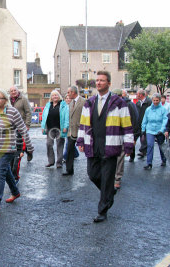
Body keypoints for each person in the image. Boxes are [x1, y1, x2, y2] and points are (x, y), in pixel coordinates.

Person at [77, 70, 134, 223]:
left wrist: (129, 144)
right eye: (97, 80)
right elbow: (83, 124)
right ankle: (109, 192)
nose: (99, 83)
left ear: (109, 83)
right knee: (92, 174)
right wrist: (81, 141)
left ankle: (102, 211)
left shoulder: (118, 102)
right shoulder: (89, 102)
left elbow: (127, 125)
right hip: (93, 144)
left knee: (108, 177)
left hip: (111, 145)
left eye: (102, 80)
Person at [0, 89, 34, 213]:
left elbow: (22, 129)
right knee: (6, 172)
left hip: (8, 149)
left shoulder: (12, 112)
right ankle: (15, 192)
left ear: (5, 100)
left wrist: (30, 147)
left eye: (0, 97)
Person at [112, 89, 138, 189]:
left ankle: (117, 178)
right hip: (111, 136)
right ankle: (111, 177)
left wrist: (132, 137)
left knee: (120, 158)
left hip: (122, 135)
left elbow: (133, 122)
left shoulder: (129, 105)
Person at [41, 90, 69, 168]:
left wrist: (65, 127)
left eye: (56, 95)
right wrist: (43, 127)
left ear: (59, 96)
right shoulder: (48, 105)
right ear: (51, 97)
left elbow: (67, 117)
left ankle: (59, 163)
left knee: (59, 145)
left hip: (60, 128)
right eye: (53, 95)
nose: (54, 97)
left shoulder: (63, 105)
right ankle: (51, 161)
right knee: (49, 144)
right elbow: (44, 117)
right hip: (50, 128)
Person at [141, 93, 168, 170]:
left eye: (157, 100)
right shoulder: (148, 109)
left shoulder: (163, 110)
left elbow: (165, 120)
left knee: (161, 146)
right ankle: (149, 163)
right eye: (154, 100)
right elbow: (145, 120)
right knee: (150, 145)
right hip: (150, 129)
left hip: (159, 130)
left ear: (159, 100)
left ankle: (163, 159)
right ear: (152, 100)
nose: (155, 102)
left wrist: (162, 130)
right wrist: (143, 129)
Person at [63, 86, 85, 176]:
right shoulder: (71, 102)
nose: (67, 95)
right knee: (69, 151)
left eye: (68, 93)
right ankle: (69, 170)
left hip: (81, 131)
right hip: (71, 132)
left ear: (73, 92)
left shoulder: (84, 102)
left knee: (87, 151)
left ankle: (93, 170)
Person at [9, 86, 33, 162]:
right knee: (15, 141)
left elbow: (28, 112)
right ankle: (19, 154)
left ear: (17, 91)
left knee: (22, 140)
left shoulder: (23, 99)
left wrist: (27, 124)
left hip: (22, 124)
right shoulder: (8, 100)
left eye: (14, 90)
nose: (13, 92)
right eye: (11, 91)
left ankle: (28, 152)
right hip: (12, 125)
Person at [134, 89, 152, 160]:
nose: (136, 96)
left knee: (144, 137)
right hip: (138, 123)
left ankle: (143, 151)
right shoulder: (138, 103)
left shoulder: (149, 102)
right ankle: (137, 152)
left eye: (137, 94)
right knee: (136, 137)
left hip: (146, 123)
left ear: (141, 95)